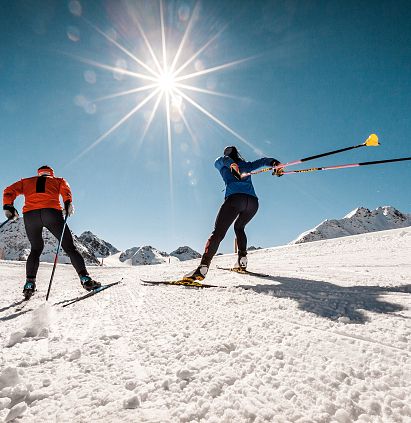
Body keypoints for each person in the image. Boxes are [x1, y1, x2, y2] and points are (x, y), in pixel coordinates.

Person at [184, 146, 282, 281]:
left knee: (218, 233)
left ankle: (203, 268)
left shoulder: (223, 165)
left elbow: (219, 161)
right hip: (253, 203)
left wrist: (231, 165)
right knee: (239, 227)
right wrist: (274, 163)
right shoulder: (246, 165)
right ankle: (242, 261)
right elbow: (263, 161)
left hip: (235, 200)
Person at [3, 165, 101, 297]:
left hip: (30, 216)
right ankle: (85, 279)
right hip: (52, 213)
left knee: (36, 249)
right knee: (70, 247)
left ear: (39, 174)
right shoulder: (58, 181)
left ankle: (29, 284)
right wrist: (68, 203)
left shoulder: (26, 182)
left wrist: (8, 206)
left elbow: (9, 190)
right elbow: (66, 191)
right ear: (51, 174)